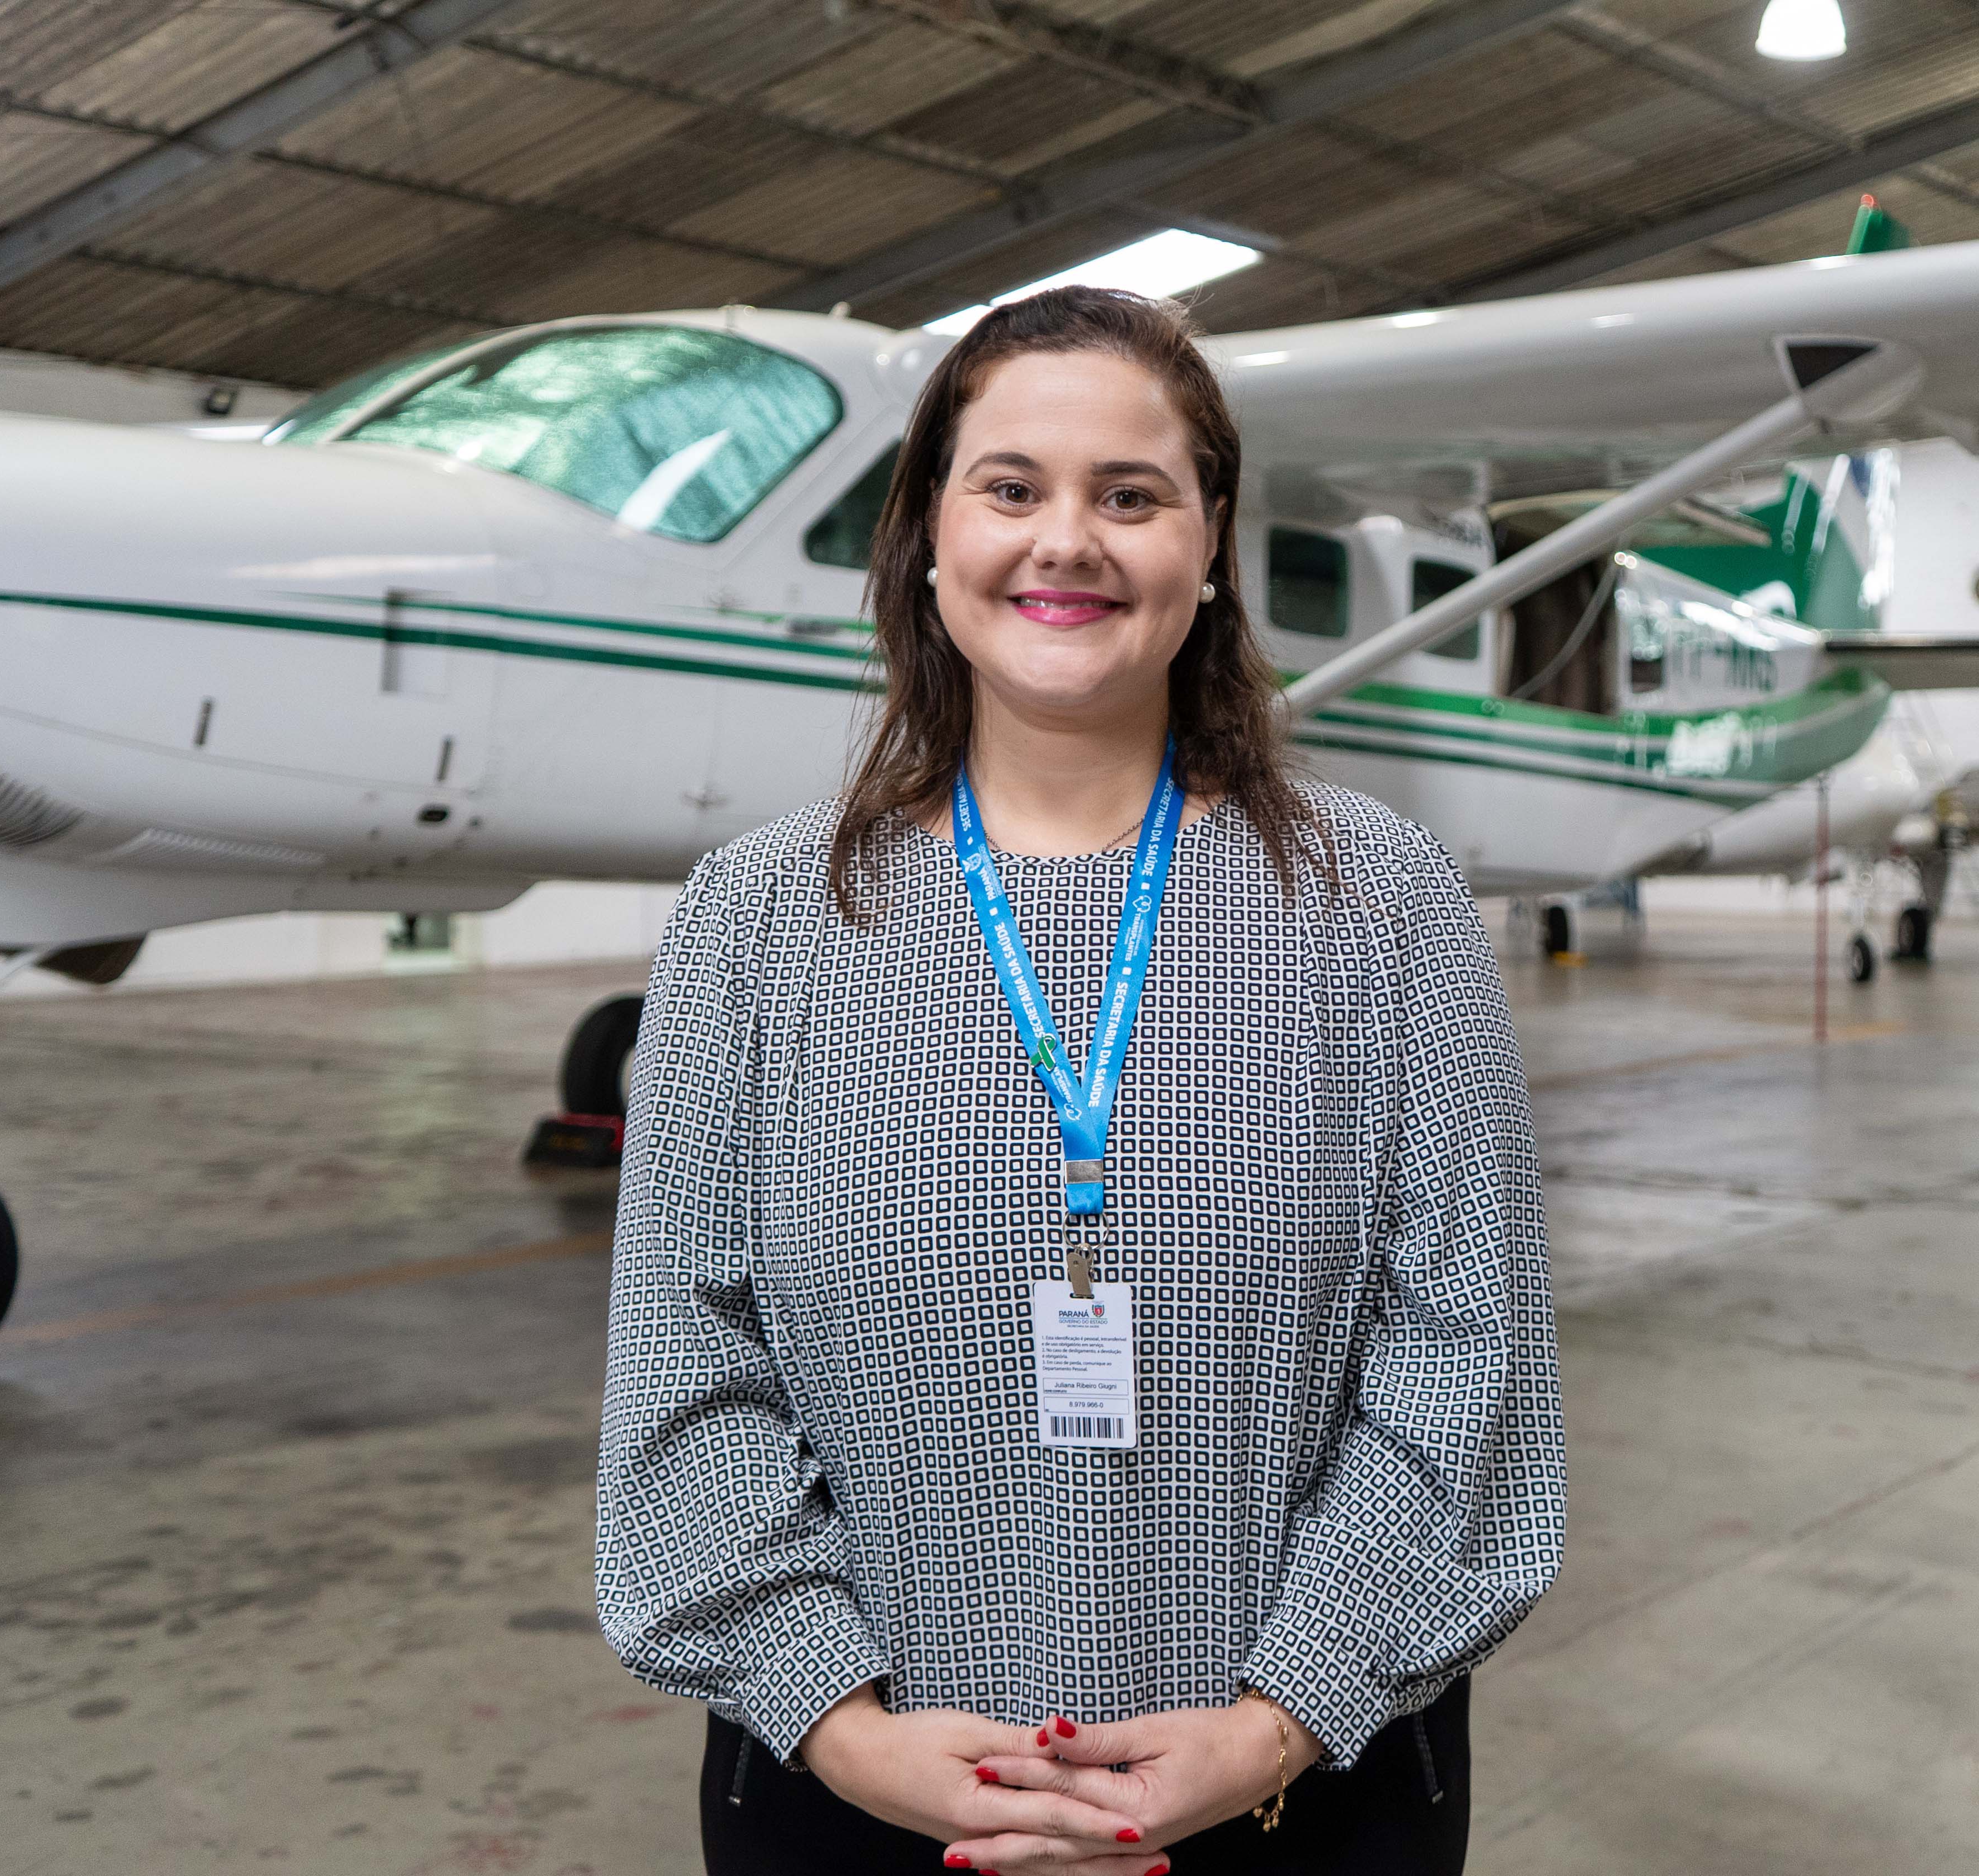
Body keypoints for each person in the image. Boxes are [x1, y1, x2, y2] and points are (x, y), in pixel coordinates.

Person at [595, 285, 1563, 1876]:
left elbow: (1468, 1360)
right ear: (925, 537)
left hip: (1300, 1800)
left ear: (1208, 546)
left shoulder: (1379, 903)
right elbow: (681, 1371)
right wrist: (848, 1732)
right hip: (861, 1799)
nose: (1068, 542)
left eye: (1131, 496)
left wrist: (1277, 1723)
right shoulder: (753, 921)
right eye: (1011, 488)